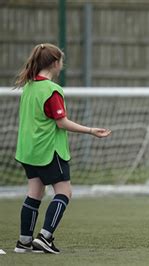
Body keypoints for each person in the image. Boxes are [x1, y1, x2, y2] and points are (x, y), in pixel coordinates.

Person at [13, 43, 111, 254]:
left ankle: (24, 241)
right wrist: (91, 130)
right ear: (55, 63)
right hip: (48, 150)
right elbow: (61, 122)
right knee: (64, 191)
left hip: (28, 150)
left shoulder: (29, 86)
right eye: (62, 61)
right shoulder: (51, 90)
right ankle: (45, 237)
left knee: (35, 192)